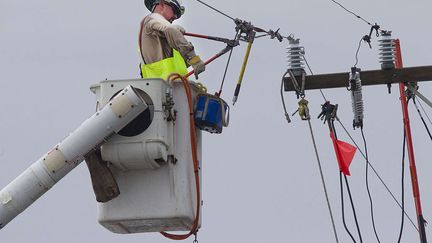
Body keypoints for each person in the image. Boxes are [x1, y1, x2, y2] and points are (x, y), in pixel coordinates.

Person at [140, 0, 205, 80]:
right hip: (166, 87)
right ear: (162, 4)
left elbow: (173, 63)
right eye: (174, 10)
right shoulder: (153, 17)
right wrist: (194, 59)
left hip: (163, 87)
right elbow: (169, 29)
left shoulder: (154, 37)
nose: (175, 16)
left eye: (177, 15)